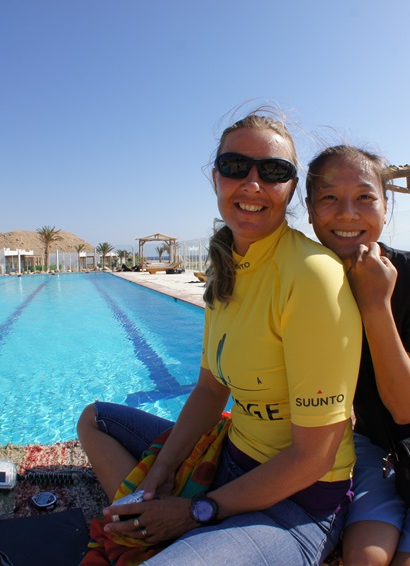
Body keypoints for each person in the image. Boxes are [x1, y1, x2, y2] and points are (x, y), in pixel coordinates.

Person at [76, 112, 363, 564]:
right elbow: (211, 390)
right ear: (216, 178)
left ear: (291, 189)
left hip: (295, 501)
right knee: (94, 420)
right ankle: (156, 523)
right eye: (235, 167)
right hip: (228, 458)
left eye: (273, 171)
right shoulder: (226, 270)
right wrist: (163, 470)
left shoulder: (311, 276)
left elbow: (314, 458)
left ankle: (174, 536)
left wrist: (195, 512)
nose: (252, 184)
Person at [305, 145, 410, 566]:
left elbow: (407, 407)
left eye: (365, 197)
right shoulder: (308, 283)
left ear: (386, 206)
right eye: (329, 198)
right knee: (365, 558)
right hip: (375, 449)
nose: (348, 213)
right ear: (309, 210)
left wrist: (376, 303)